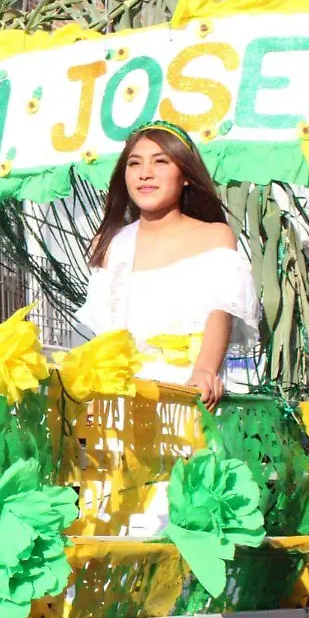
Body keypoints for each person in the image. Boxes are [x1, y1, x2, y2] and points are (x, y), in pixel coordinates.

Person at [75, 120, 258, 410]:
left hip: (186, 396)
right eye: (134, 164)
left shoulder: (213, 236)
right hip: (119, 402)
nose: (145, 174)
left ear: (185, 174)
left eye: (161, 162)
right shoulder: (110, 245)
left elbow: (221, 311)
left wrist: (205, 370)